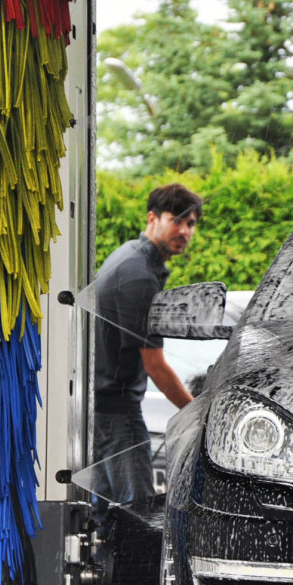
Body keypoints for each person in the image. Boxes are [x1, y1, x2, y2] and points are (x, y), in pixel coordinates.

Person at [92, 183, 201, 504]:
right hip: (118, 410)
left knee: (105, 513)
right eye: (176, 220)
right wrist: (197, 415)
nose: (184, 230)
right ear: (152, 218)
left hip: (104, 406)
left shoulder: (128, 255)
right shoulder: (138, 276)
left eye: (191, 223)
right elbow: (155, 364)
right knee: (137, 513)